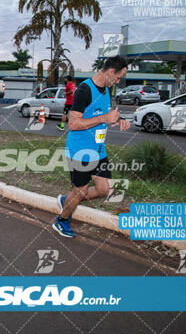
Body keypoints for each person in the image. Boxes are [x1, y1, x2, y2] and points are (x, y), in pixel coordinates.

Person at [53, 55, 131, 238]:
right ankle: (61, 220)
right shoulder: (84, 90)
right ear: (111, 72)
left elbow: (105, 114)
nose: (118, 81)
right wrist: (104, 118)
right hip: (80, 150)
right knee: (81, 191)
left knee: (104, 189)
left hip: (98, 149)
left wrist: (118, 119)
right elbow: (73, 124)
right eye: (118, 77)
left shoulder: (106, 90)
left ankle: (68, 200)